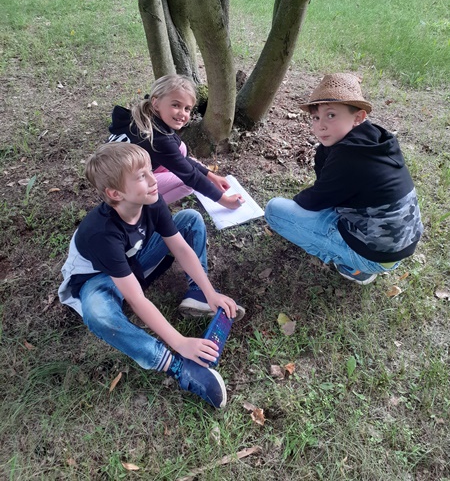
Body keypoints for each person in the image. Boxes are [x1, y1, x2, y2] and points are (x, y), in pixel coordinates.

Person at [58, 143, 245, 408]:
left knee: (190, 219)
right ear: (115, 193)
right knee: (98, 315)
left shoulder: (152, 201)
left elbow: (180, 247)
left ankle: (197, 296)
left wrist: (210, 291)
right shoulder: (101, 233)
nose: (153, 180)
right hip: (97, 279)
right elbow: (136, 299)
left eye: (150, 170)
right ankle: (176, 366)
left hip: (133, 261)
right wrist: (179, 343)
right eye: (141, 176)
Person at [265, 73, 423, 285]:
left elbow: (315, 200)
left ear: (358, 117)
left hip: (373, 255)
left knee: (275, 210)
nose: (320, 126)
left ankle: (356, 268)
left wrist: (298, 204)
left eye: (331, 115)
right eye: (315, 117)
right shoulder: (376, 138)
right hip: (401, 245)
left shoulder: (348, 156)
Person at [108, 74, 243, 209]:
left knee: (181, 149)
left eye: (187, 108)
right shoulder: (158, 139)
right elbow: (190, 176)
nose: (182, 113)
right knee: (187, 183)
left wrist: (211, 176)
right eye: (176, 105)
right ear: (156, 103)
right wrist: (226, 201)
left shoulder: (146, 117)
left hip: (115, 175)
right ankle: (141, 209)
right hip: (121, 189)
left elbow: (179, 158)